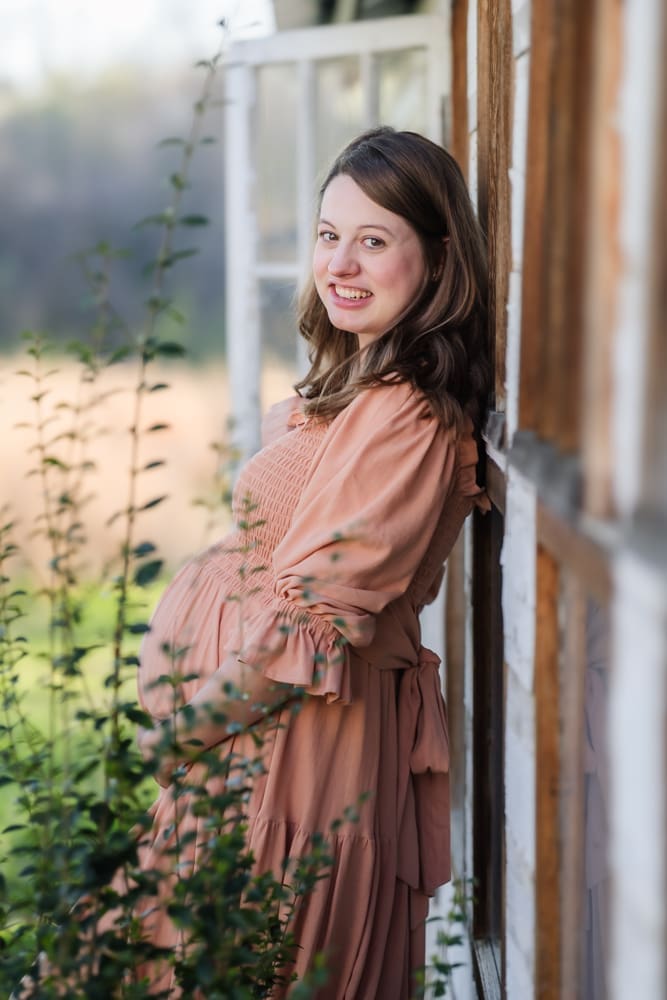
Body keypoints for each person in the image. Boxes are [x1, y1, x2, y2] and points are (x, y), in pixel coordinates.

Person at [136, 125, 490, 998]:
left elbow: (313, 625)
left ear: (438, 260)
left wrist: (172, 738)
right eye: (329, 235)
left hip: (295, 757)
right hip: (250, 754)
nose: (339, 263)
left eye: (373, 240)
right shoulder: (361, 389)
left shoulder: (406, 414)